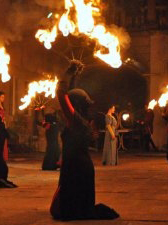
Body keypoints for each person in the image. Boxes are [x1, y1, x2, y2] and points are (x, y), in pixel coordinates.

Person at [50, 60, 119, 221]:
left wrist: (68, 72)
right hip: (80, 167)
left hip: (76, 168)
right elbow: (71, 95)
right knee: (72, 205)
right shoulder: (81, 121)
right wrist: (75, 75)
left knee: (66, 209)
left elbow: (62, 94)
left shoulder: (77, 122)